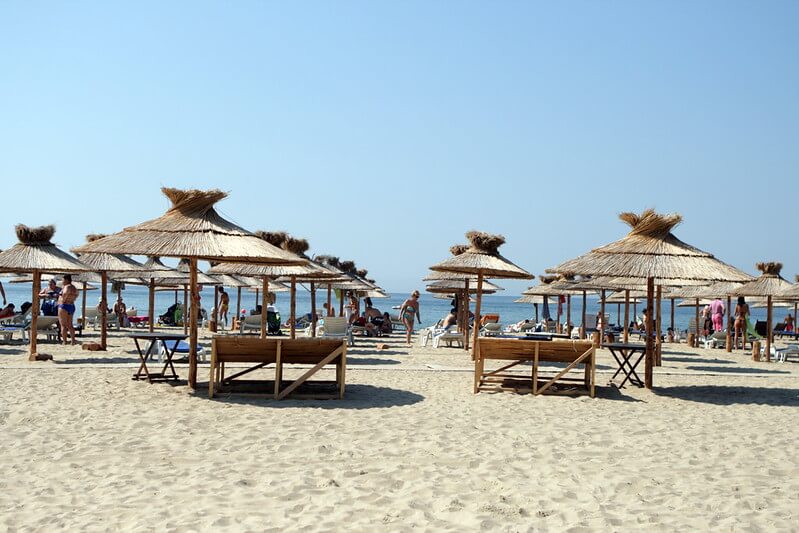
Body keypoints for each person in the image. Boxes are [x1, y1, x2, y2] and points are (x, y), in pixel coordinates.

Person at [57, 274, 79, 345]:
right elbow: (77, 295)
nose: (62, 281)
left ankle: (64, 341)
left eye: (63, 280)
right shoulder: (74, 287)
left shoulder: (66, 287)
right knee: (70, 325)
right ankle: (73, 340)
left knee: (63, 324)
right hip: (71, 305)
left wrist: (63, 299)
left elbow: (65, 293)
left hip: (64, 306)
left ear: (66, 280)